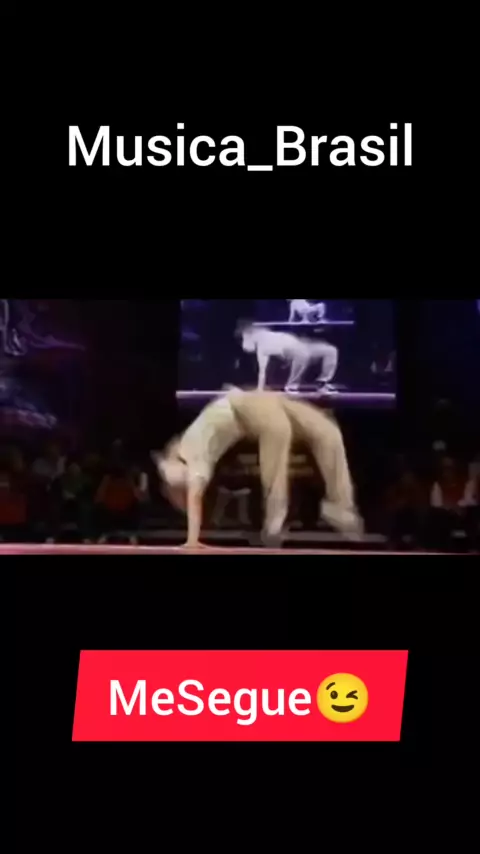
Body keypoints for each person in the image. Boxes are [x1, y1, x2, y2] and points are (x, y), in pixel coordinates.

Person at [153, 388, 362, 549]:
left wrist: (191, 539)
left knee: (277, 428)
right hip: (256, 402)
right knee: (327, 431)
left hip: (240, 403)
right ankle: (339, 507)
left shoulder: (185, 455)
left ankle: (276, 520)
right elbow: (192, 499)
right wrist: (192, 539)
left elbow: (191, 498)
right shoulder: (193, 461)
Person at [239, 321, 339, 393]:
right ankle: (291, 386)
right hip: (292, 350)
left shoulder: (260, 330)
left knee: (330, 350)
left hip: (301, 343)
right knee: (302, 354)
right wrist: (259, 388)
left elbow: (250, 328)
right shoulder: (262, 349)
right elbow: (262, 371)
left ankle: (322, 382)